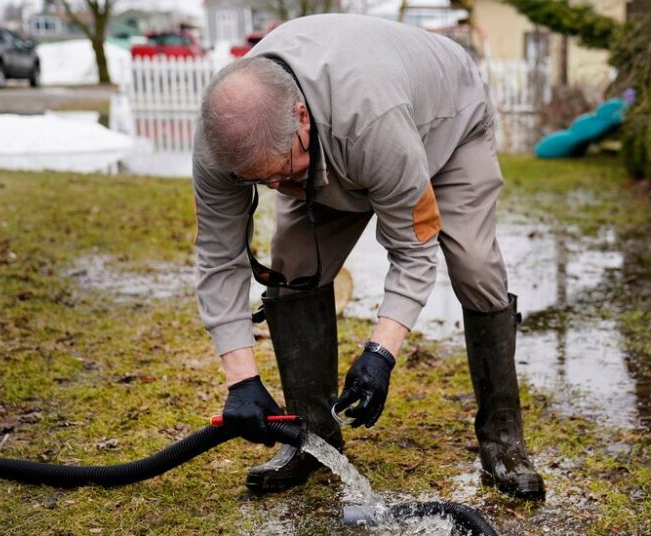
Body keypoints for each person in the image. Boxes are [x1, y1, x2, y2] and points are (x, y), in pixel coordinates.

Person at [192, 14, 545, 501]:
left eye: (279, 172)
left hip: (444, 127)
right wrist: (241, 381)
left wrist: (380, 353)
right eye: (262, 181)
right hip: (331, 143)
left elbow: (414, 250)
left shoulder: (372, 120)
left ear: (299, 116)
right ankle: (311, 437)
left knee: (475, 266)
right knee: (292, 265)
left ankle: (504, 440)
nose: (277, 188)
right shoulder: (223, 139)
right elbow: (217, 258)